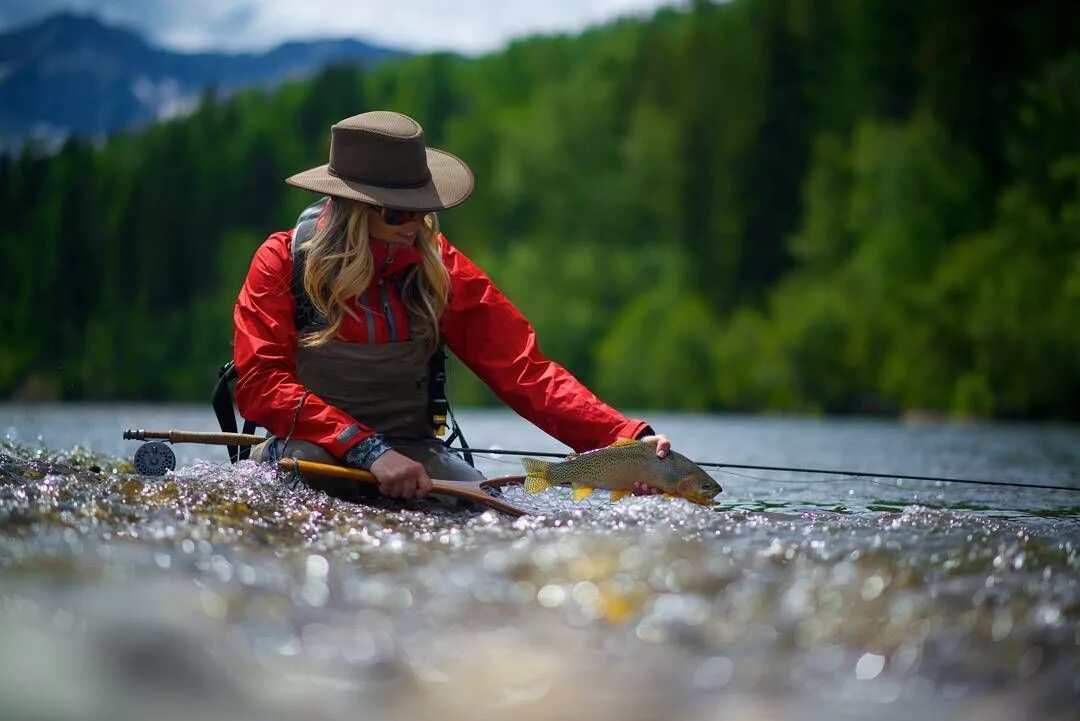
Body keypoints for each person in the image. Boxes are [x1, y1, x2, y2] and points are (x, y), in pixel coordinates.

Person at [233, 110, 669, 501]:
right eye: (398, 214)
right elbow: (260, 383)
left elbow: (525, 372)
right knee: (308, 467)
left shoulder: (438, 268)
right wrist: (366, 449)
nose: (415, 225)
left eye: (421, 210)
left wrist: (625, 439)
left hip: (414, 451)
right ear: (352, 210)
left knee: (482, 508)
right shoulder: (282, 261)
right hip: (307, 446)